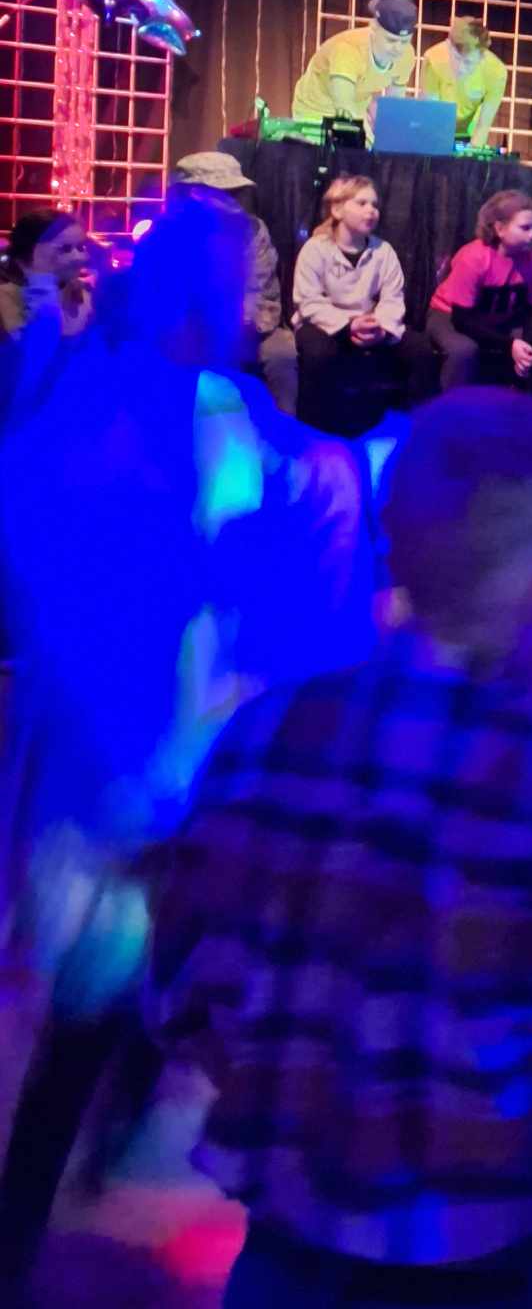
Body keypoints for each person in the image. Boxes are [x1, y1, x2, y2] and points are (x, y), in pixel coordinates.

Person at [148, 389, 532, 1308]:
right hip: (490, 1247)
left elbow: (186, 982)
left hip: (291, 1231)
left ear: (391, 535)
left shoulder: (263, 739)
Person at [0, 190, 375, 1287]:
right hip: (164, 747)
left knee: (117, 990)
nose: (254, 301)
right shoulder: (203, 410)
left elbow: (33, 543)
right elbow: (253, 567)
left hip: (111, 739)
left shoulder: (95, 390)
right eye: (244, 280)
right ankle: (31, 1217)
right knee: (125, 988)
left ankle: (53, 1188)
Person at [292, 175, 431, 435]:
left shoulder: (383, 251)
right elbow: (308, 300)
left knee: (419, 348)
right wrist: (348, 325)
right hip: (324, 324)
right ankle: (314, 432)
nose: (371, 210)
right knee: (319, 354)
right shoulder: (315, 249)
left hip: (371, 323)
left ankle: (419, 429)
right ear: (337, 209)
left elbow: (393, 297)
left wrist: (381, 327)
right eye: (362, 203)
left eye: (375, 205)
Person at [172, 149, 298, 414]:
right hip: (189, 329)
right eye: (223, 192)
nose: (232, 200)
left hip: (246, 325)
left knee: (281, 352)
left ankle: (282, 427)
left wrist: (237, 324)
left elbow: (263, 292)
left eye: (234, 192)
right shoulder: (171, 234)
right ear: (193, 193)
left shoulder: (253, 230)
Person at [427, 188, 532, 391]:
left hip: (502, 318)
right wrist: (509, 345)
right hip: (450, 315)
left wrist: (526, 346)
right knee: (463, 351)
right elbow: (462, 319)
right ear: (500, 228)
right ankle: (452, 408)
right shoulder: (474, 257)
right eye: (525, 228)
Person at [290, 0, 417, 137]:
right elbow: (344, 107)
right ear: (374, 27)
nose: (398, 48)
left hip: (357, 110)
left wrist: (392, 132)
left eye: (404, 41)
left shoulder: (406, 54)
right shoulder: (348, 49)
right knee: (338, 148)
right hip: (314, 109)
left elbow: (395, 105)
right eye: (391, 40)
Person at [0, 209, 93, 339]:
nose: (78, 257)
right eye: (65, 249)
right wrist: (41, 280)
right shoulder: (6, 296)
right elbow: (36, 346)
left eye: (81, 247)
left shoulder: (79, 292)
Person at [419, 15, 509, 146]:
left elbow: (483, 125)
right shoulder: (434, 58)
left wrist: (472, 153)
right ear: (449, 47)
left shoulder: (496, 71)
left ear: (482, 57)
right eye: (456, 58)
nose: (460, 68)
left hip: (467, 133)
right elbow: (431, 114)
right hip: (435, 130)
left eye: (468, 62)